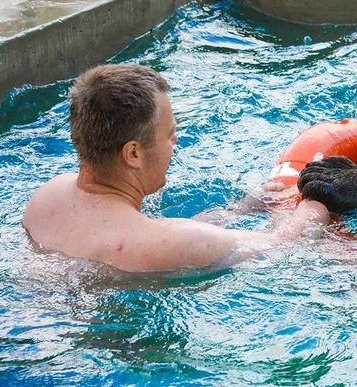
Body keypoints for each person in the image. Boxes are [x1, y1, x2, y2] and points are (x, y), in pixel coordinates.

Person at [22, 64, 329, 272]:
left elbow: (156, 237)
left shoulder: (47, 199)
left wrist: (240, 209)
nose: (176, 141)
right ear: (133, 153)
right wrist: (316, 194)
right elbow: (288, 244)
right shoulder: (167, 243)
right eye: (169, 135)